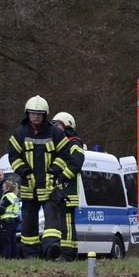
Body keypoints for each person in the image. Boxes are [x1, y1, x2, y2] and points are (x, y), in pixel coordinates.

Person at [7, 96, 83, 260]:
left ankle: (51, 247)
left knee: (52, 221)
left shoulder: (55, 133)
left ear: (45, 115)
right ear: (27, 114)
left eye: (39, 114)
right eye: (33, 113)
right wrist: (25, 172)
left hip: (49, 186)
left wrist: (53, 171)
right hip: (28, 186)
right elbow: (13, 156)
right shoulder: (19, 133)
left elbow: (65, 155)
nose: (36, 117)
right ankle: (30, 254)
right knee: (28, 222)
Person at [51, 112, 84, 260]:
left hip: (69, 190)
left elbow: (76, 163)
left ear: (67, 125)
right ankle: (72, 253)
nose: (54, 127)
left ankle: (67, 254)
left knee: (67, 224)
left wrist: (61, 176)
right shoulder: (58, 143)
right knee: (63, 223)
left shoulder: (74, 143)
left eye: (57, 124)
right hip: (60, 189)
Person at [0, 179, 21, 259]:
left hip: (7, 221)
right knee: (13, 239)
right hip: (14, 220)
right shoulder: (14, 196)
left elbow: (2, 210)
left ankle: (7, 258)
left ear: (7, 188)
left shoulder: (7, 196)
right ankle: (15, 256)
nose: (2, 189)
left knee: (7, 240)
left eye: (3, 187)